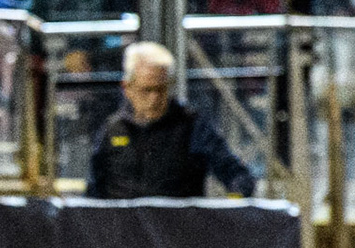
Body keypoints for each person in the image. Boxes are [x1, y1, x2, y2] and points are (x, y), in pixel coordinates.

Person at [87, 42, 254, 199]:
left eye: (161, 89)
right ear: (127, 88)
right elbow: (93, 193)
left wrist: (232, 205)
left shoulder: (192, 125)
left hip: (179, 228)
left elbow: (238, 176)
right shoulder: (112, 129)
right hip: (123, 228)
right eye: (147, 90)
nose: (154, 98)